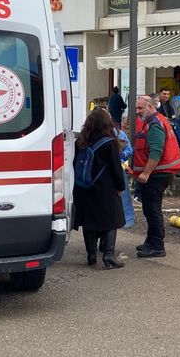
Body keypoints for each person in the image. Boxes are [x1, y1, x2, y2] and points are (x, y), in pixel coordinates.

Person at [73, 108, 126, 269]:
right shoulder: (109, 142)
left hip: (83, 187)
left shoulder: (80, 141)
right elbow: (116, 168)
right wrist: (120, 186)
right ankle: (109, 255)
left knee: (88, 221)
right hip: (105, 188)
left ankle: (91, 255)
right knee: (111, 220)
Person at [133, 95, 180, 258]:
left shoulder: (154, 124)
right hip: (158, 174)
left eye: (140, 108)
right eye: (136, 108)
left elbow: (156, 151)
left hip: (156, 175)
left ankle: (156, 245)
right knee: (150, 209)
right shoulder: (154, 121)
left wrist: (146, 173)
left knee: (152, 209)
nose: (137, 111)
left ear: (150, 107)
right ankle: (151, 241)